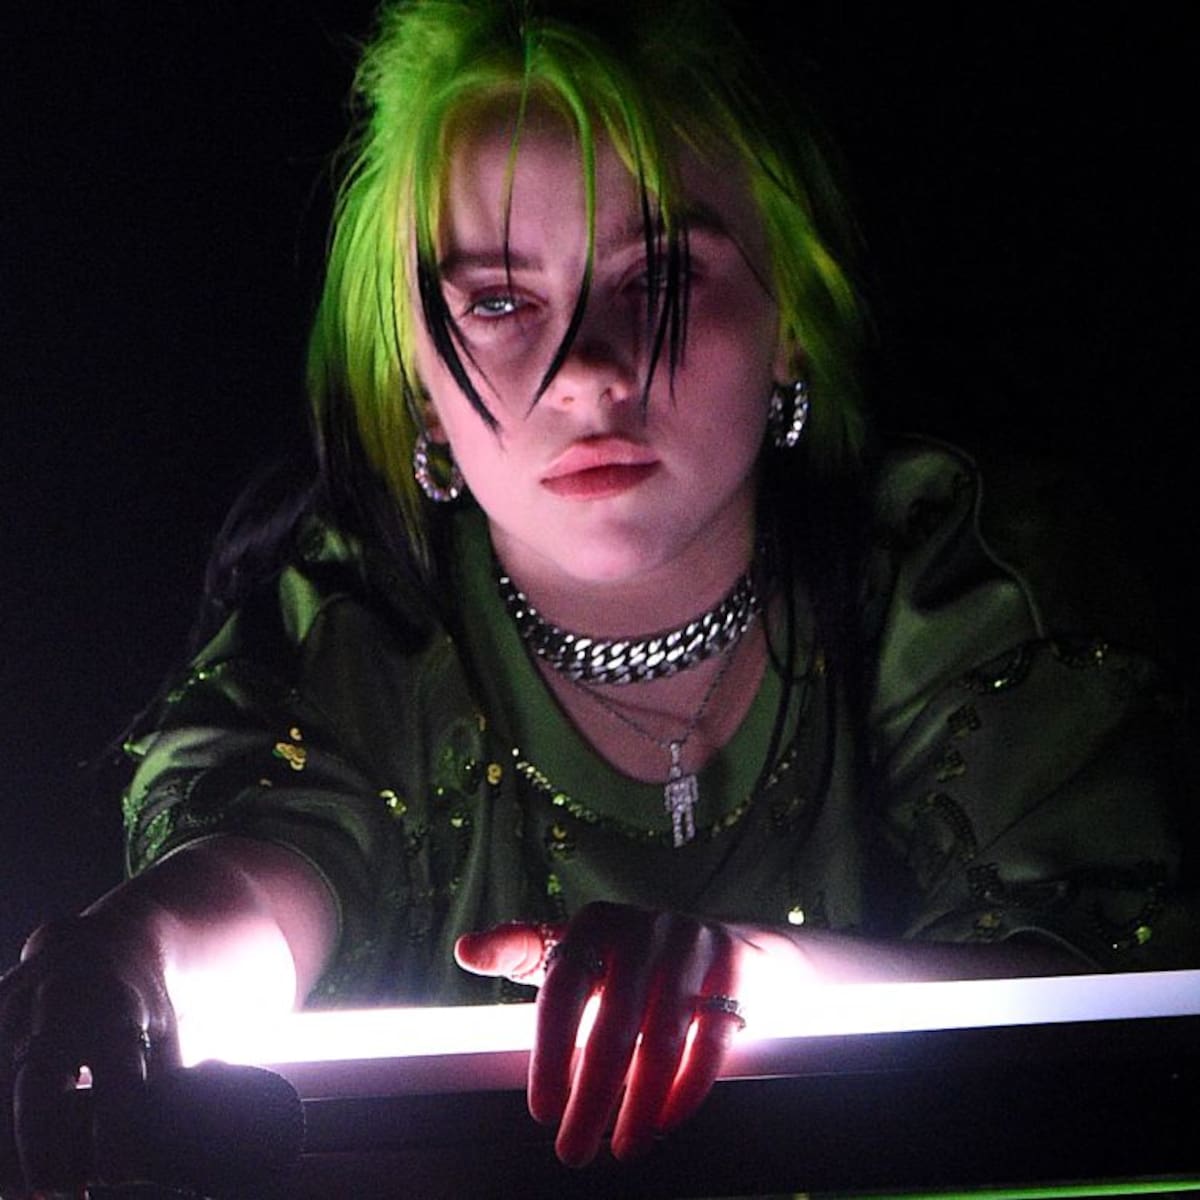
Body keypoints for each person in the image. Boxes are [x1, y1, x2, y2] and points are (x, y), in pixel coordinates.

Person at [1, 0, 1194, 1190]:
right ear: (416, 378)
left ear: (790, 315)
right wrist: (136, 960)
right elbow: (262, 876)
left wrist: (767, 986)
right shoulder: (353, 632)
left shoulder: (961, 581)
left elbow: (1100, 1010)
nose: (589, 372)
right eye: (499, 302)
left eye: (661, 277)